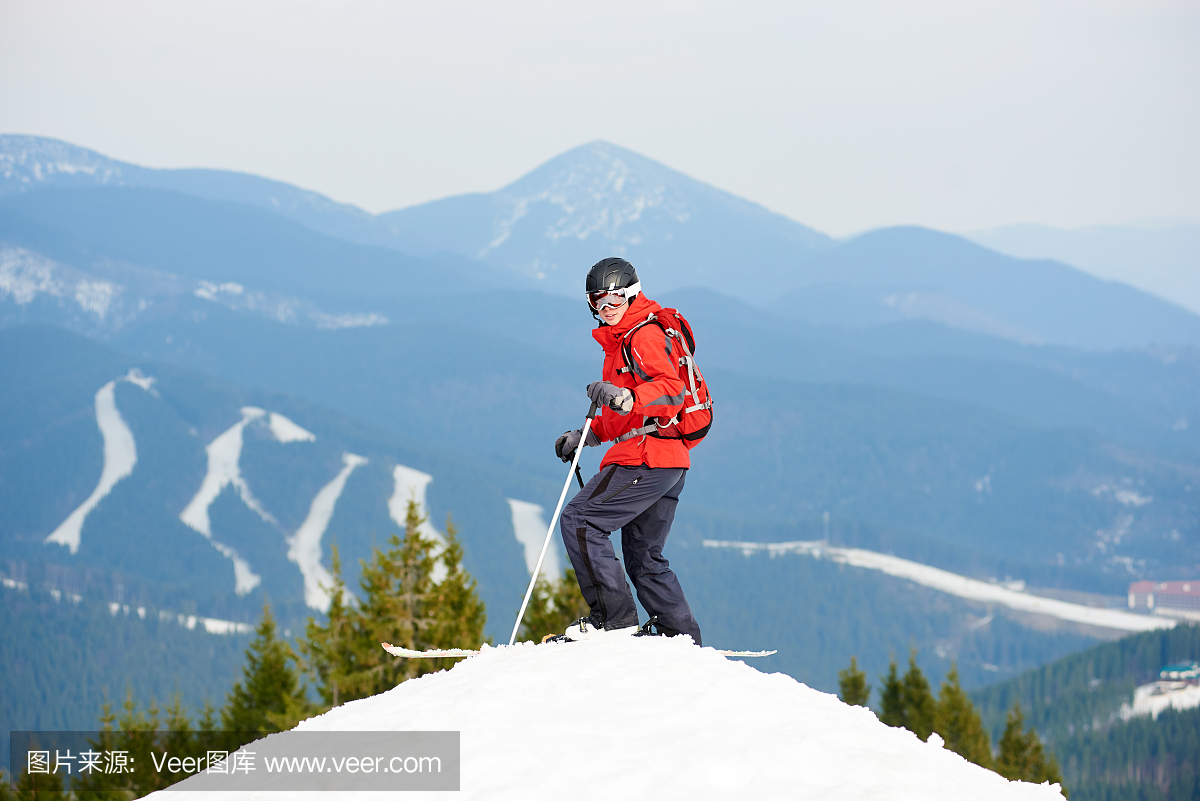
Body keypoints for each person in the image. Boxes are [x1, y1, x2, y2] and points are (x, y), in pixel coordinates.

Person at [553, 257, 702, 645]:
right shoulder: (622, 341)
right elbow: (632, 413)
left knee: (581, 520)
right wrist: (588, 433)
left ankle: (612, 622)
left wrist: (623, 396)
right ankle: (680, 640)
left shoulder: (643, 335)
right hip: (667, 463)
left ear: (631, 296)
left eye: (614, 301)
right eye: (597, 303)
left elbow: (670, 392)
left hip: (646, 459)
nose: (605, 310)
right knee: (645, 558)